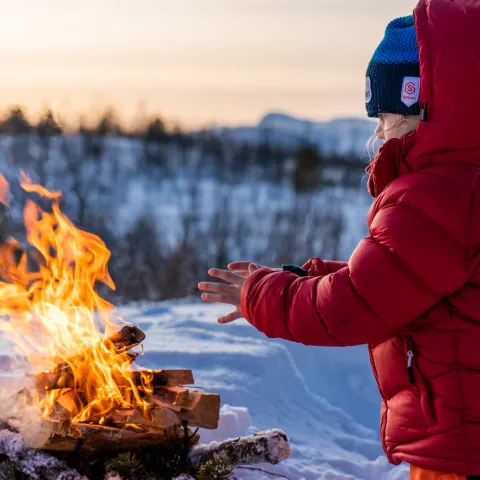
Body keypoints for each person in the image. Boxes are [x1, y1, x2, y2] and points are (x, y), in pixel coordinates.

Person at [199, 1, 480, 478]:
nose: (378, 130)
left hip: (461, 448)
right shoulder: (461, 186)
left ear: (423, 105)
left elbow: (349, 307)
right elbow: (402, 285)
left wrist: (261, 295)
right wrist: (305, 277)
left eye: (384, 113)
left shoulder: (435, 195)